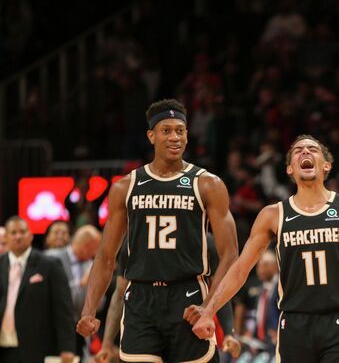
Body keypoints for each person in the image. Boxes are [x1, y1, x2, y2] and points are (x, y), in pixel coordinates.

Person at [184, 135, 339, 363]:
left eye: (313, 149)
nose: (305, 152)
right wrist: (208, 310)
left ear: (326, 166)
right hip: (294, 325)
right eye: (298, 151)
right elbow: (240, 270)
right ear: (290, 169)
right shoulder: (273, 215)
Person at [76, 98, 239, 363]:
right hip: (141, 297)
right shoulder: (126, 187)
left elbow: (231, 253)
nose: (175, 137)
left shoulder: (208, 184)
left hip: (188, 296)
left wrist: (209, 306)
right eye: (166, 131)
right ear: (151, 136)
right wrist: (89, 309)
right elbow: (106, 256)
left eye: (180, 130)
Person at [95, 237, 241, 363]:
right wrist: (107, 344)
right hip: (143, 311)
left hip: (187, 313)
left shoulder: (204, 239)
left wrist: (229, 332)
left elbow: (220, 291)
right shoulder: (134, 236)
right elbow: (120, 294)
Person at [0, 216, 76, 363]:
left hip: (35, 347)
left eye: (22, 231)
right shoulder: (0, 264)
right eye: (13, 232)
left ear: (31, 235)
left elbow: (63, 308)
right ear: (6, 237)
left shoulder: (49, 265)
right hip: (3, 347)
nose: (18, 236)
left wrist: (67, 347)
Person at [46, 224, 101, 359]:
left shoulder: (90, 265)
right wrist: (82, 284)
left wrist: (93, 288)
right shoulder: (51, 258)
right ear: (86, 245)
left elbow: (99, 304)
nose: (95, 254)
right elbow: (59, 299)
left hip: (79, 333)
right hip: (52, 331)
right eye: (95, 249)